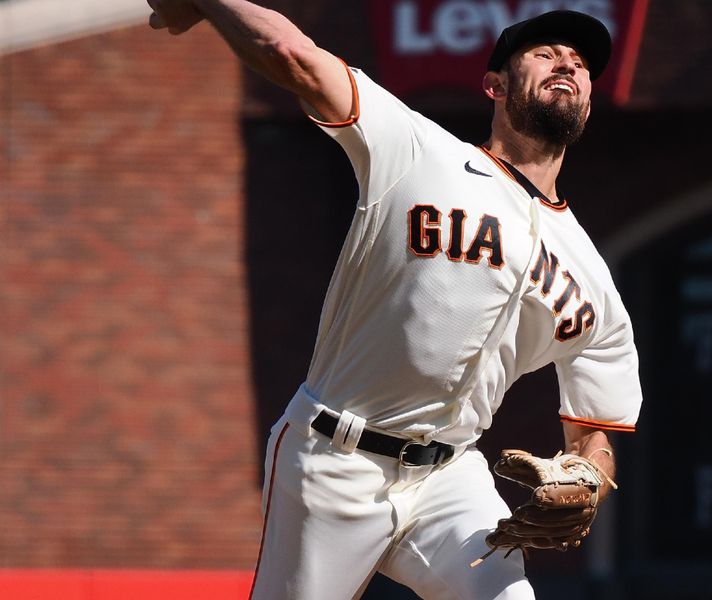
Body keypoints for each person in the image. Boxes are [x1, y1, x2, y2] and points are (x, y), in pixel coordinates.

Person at [147, 2, 643, 599]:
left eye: (581, 62)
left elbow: (597, 429)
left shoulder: (591, 274)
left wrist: (589, 473)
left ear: (588, 99)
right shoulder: (418, 151)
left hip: (451, 477)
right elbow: (292, 56)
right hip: (334, 456)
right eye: (544, 53)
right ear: (495, 84)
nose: (567, 61)